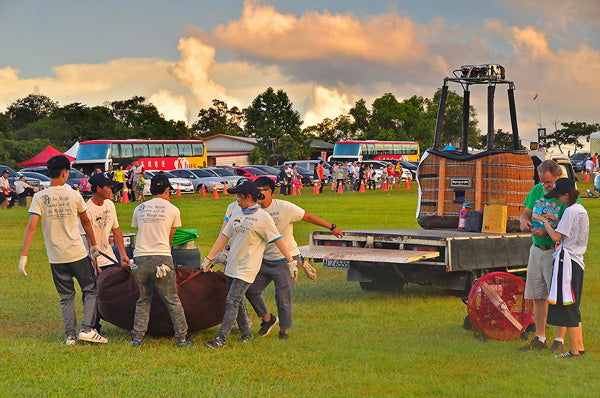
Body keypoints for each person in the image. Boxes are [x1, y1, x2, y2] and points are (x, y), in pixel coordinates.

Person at [19, 155, 107, 345]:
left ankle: (71, 336)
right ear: (65, 172)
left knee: (66, 296)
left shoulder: (39, 197)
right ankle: (87, 329)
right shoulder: (74, 195)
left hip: (56, 257)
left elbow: (31, 227)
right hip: (77, 253)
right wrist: (93, 245)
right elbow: (85, 221)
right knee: (91, 290)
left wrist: (24, 256)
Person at [201, 179, 296, 348]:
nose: (236, 200)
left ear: (247, 197)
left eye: (238, 196)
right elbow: (223, 237)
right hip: (232, 266)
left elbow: (278, 240)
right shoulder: (237, 213)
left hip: (247, 268)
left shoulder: (263, 218)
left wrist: (290, 261)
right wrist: (209, 258)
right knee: (237, 302)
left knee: (231, 301)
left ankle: (221, 339)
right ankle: (246, 335)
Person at [247, 176, 344, 339]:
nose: (258, 195)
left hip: (286, 260)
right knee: (250, 289)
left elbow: (308, 217)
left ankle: (284, 330)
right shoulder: (252, 210)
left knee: (282, 297)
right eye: (256, 191)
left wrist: (331, 227)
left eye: (261, 190)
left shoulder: (285, 207)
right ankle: (268, 319)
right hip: (263, 260)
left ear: (270, 192)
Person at [130, 174, 192, 347]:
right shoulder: (173, 209)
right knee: (172, 299)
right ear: (166, 190)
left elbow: (139, 231)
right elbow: (169, 238)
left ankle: (137, 338)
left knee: (143, 299)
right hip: (161, 258)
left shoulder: (140, 208)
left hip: (140, 258)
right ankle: (182, 338)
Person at [535, 178, 588, 358]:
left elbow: (557, 237)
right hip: (578, 262)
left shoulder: (570, 211)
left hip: (567, 263)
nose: (557, 200)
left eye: (558, 196)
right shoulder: (580, 209)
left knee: (568, 306)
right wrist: (556, 219)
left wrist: (545, 222)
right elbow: (570, 229)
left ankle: (573, 351)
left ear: (567, 195)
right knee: (574, 305)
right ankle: (579, 347)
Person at [519, 160, 568, 352]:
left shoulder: (566, 195)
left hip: (553, 251)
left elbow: (567, 226)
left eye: (549, 182)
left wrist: (546, 232)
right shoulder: (537, 190)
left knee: (557, 296)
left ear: (558, 176)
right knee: (538, 296)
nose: (546, 186)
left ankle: (560, 340)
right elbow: (526, 213)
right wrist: (523, 221)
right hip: (536, 250)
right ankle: (540, 338)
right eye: (543, 182)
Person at [79, 173, 130, 331]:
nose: (111, 189)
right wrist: (94, 263)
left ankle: (118, 319)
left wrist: (123, 255)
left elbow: (117, 230)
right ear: (98, 188)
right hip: (91, 258)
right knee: (92, 291)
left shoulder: (110, 205)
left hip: (108, 256)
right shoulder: (87, 209)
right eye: (107, 187)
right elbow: (86, 238)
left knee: (117, 286)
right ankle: (92, 326)